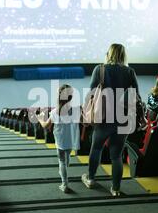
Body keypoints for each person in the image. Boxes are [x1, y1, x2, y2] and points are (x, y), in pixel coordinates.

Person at [81, 43, 141, 197]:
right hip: (123, 119)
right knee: (116, 155)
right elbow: (137, 97)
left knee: (96, 148)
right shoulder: (130, 72)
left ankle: (91, 179)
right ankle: (115, 188)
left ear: (109, 54)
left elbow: (90, 94)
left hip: (103, 118)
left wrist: (86, 113)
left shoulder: (100, 69)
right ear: (123, 56)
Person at [38, 84, 80, 193]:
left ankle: (64, 184)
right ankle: (64, 168)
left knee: (61, 161)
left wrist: (40, 118)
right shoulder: (75, 110)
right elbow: (85, 124)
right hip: (71, 139)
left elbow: (45, 126)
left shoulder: (55, 112)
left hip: (60, 141)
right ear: (71, 97)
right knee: (66, 157)